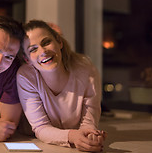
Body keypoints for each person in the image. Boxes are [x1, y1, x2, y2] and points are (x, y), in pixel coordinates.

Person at [17, 20, 107, 152]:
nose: (43, 52)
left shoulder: (86, 70)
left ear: (59, 42)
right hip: (31, 137)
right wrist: (73, 136)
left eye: (46, 42)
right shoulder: (26, 76)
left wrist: (90, 136)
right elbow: (41, 127)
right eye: (33, 49)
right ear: (27, 59)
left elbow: (88, 122)